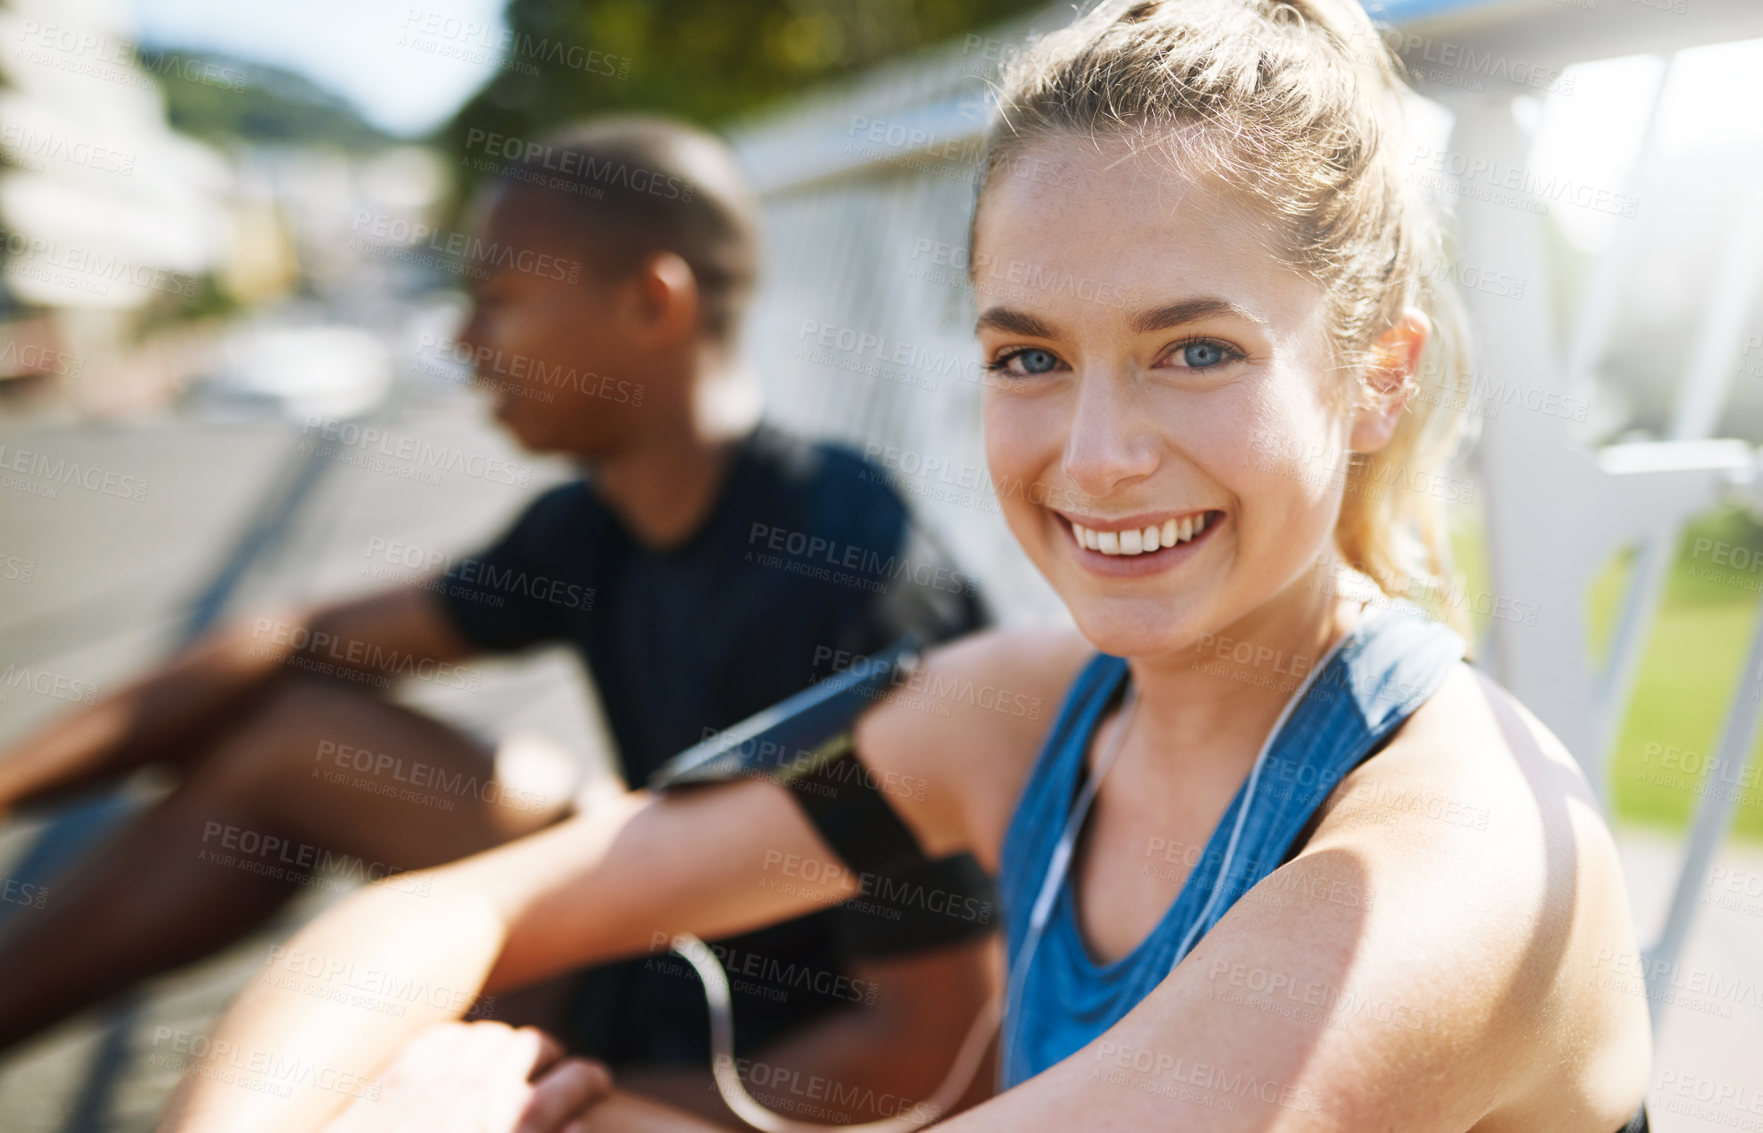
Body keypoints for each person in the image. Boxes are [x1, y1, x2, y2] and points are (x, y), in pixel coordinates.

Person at [157, 1, 1658, 1130]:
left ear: (1375, 376)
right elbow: (471, 909)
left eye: (1192, 350)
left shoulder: (1447, 870)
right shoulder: (1016, 720)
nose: (1093, 452)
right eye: (1028, 355)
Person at [0, 116, 1000, 1125]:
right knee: (297, 743)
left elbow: (928, 1052)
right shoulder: (596, 521)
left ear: (653, 302)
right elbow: (295, 641)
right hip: (658, 938)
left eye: (499, 299)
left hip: (750, 1059)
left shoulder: (844, 578)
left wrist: (525, 1101)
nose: (461, 340)